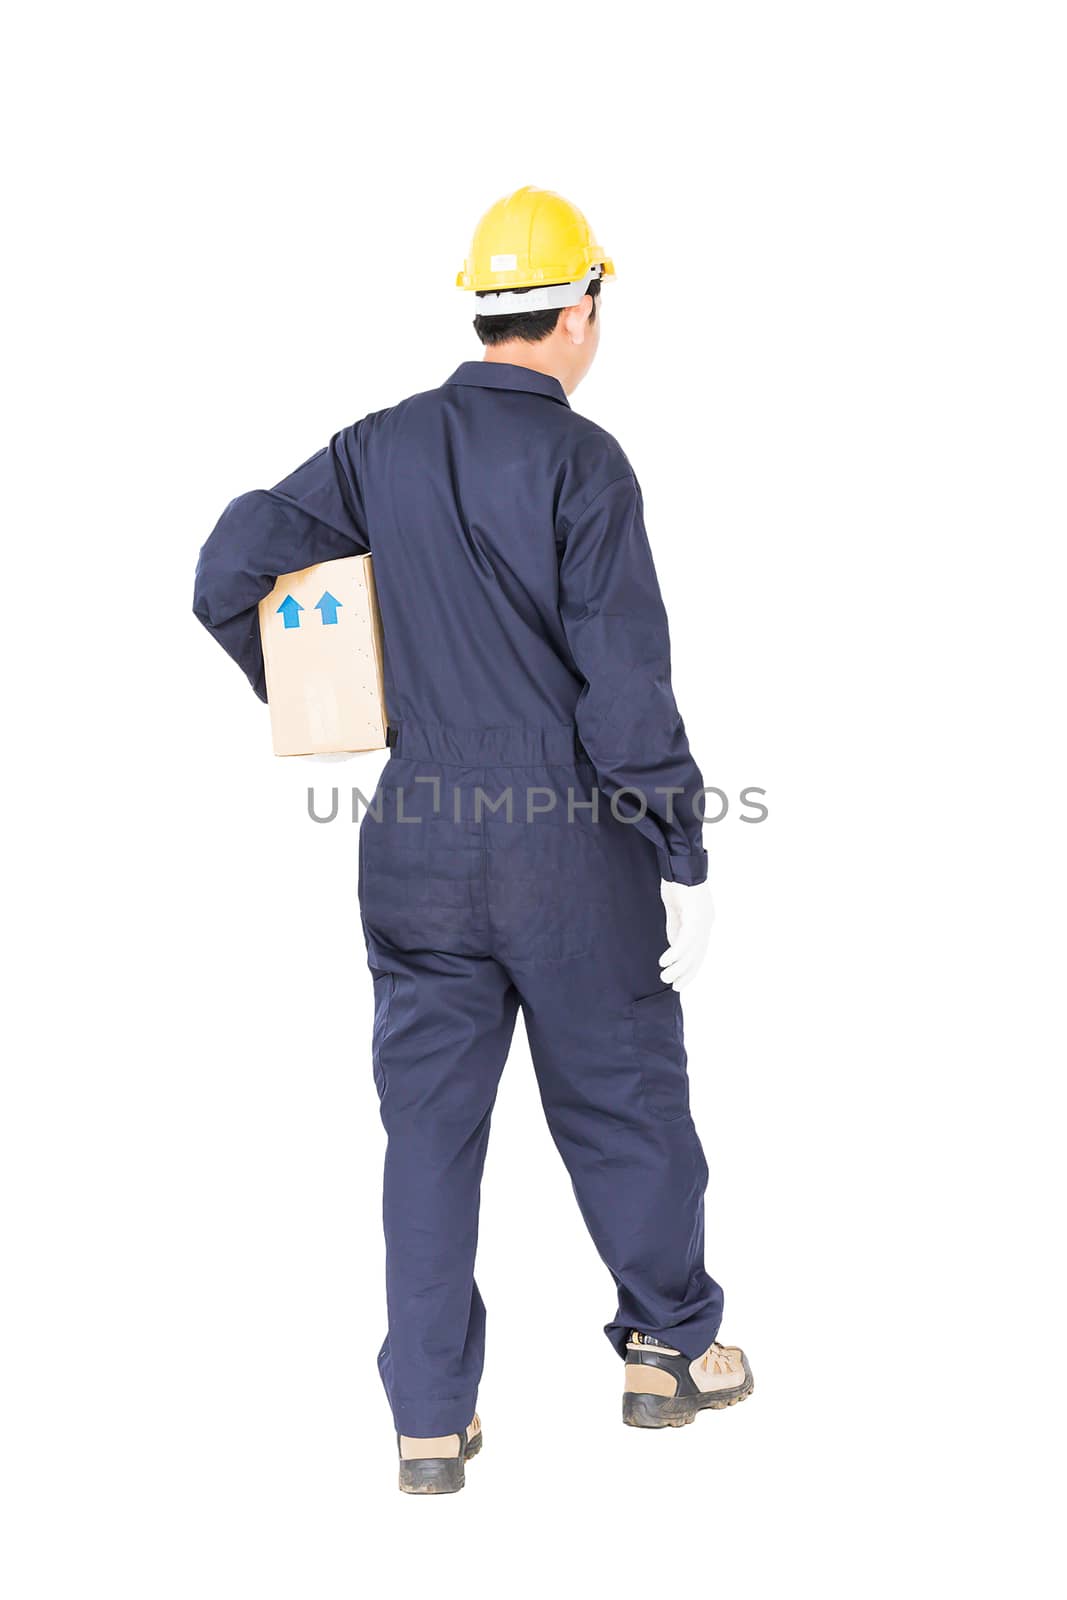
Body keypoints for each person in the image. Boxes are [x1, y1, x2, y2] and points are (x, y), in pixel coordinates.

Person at [193, 185, 752, 1495]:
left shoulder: (378, 448)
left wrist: (333, 694)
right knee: (622, 1102)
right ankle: (668, 1350)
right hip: (570, 848)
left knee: (429, 1133)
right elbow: (625, 690)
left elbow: (228, 567)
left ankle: (430, 1422)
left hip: (418, 843)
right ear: (579, 312)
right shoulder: (584, 465)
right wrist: (680, 847)